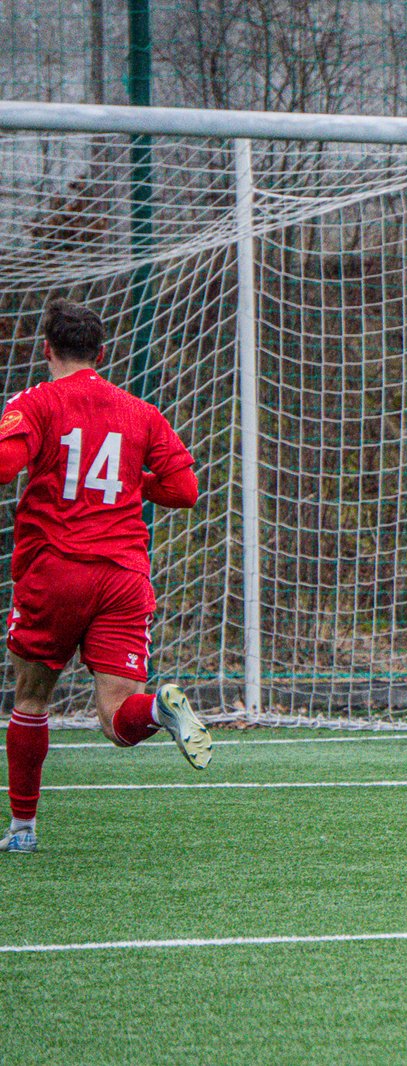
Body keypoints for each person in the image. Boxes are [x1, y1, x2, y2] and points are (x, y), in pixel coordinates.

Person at [0, 299, 208, 854]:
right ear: (102, 352)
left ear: (46, 348)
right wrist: (134, 482)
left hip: (55, 571)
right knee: (118, 719)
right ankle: (160, 708)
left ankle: (22, 830)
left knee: (31, 699)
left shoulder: (36, 402)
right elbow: (185, 490)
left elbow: (5, 466)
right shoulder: (140, 411)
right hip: (123, 578)